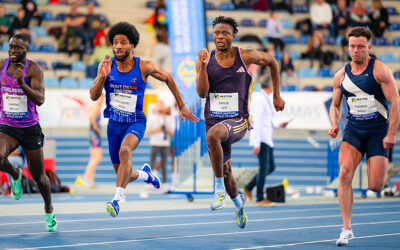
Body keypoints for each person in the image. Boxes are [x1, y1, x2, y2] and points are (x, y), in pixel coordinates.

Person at [89, 22, 198, 217]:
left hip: (136, 121)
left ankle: (116, 200)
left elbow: (169, 78)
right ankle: (145, 175)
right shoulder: (107, 66)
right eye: (115, 43)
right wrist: (100, 77)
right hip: (114, 124)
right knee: (124, 172)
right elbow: (93, 96)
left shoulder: (144, 66)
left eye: (123, 42)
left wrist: (181, 105)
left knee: (125, 151)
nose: (118, 47)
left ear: (132, 45)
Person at [196, 16, 285, 229]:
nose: (220, 36)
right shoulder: (205, 59)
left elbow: (272, 61)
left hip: (238, 120)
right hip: (213, 119)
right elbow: (202, 93)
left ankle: (218, 191)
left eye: (225, 33)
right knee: (226, 172)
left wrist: (276, 96)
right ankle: (238, 204)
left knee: (213, 136)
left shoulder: (244, 56)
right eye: (216, 33)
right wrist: (201, 66)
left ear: (233, 36)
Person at [329, 27, 399, 246]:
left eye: (360, 46)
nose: (356, 50)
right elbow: (335, 105)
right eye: (352, 46)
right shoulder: (341, 75)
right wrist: (334, 123)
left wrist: (391, 133)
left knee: (376, 186)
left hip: (378, 131)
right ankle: (346, 229)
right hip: (354, 131)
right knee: (344, 173)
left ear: (369, 47)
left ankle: (382, 173)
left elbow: (396, 102)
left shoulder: (380, 70)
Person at [0, 34, 57, 231]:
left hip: (29, 128)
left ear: (27, 50)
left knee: (39, 176)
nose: (13, 50)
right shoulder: (2, 66)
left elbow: (40, 99)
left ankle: (48, 208)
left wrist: (22, 84)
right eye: (11, 46)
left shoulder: (33, 69)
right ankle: (15, 174)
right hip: (7, 126)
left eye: (18, 47)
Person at [243, 75, 289, 207]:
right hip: (262, 138)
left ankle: (248, 187)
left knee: (270, 167)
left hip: (267, 138)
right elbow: (255, 121)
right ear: (270, 86)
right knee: (264, 168)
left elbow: (268, 120)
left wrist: (280, 124)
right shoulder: (259, 99)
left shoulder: (266, 98)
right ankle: (259, 198)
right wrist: (256, 143)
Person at [75, 94, 105, 188]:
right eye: (102, 98)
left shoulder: (96, 107)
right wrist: (97, 129)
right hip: (94, 135)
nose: (103, 100)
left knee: (94, 158)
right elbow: (91, 117)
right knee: (97, 158)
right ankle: (85, 178)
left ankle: (90, 180)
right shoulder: (96, 107)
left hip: (93, 134)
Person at [146, 100, 174, 184]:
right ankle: (149, 182)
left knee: (164, 164)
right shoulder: (152, 117)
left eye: (162, 106)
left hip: (165, 143)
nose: (160, 107)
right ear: (156, 107)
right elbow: (147, 131)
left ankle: (165, 183)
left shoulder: (168, 118)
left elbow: (172, 132)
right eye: (159, 106)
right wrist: (157, 129)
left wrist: (166, 129)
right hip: (154, 143)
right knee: (152, 163)